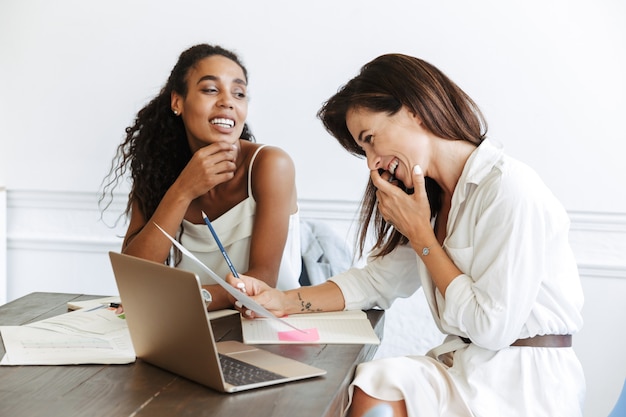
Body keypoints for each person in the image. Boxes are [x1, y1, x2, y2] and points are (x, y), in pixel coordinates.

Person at [227, 53, 585, 416]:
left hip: (524, 384)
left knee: (374, 390)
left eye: (370, 139)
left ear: (414, 110)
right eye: (362, 150)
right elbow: (375, 282)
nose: (371, 162)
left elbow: (491, 328)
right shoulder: (429, 199)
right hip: (465, 368)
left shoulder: (508, 188)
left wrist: (423, 239)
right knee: (369, 385)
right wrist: (283, 301)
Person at [101, 44, 301, 311]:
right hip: (196, 325)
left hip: (273, 327)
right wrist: (183, 190)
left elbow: (261, 280)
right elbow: (135, 277)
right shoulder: (157, 171)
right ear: (177, 102)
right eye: (210, 89)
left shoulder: (271, 165)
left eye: (239, 93)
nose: (227, 101)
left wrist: (172, 300)